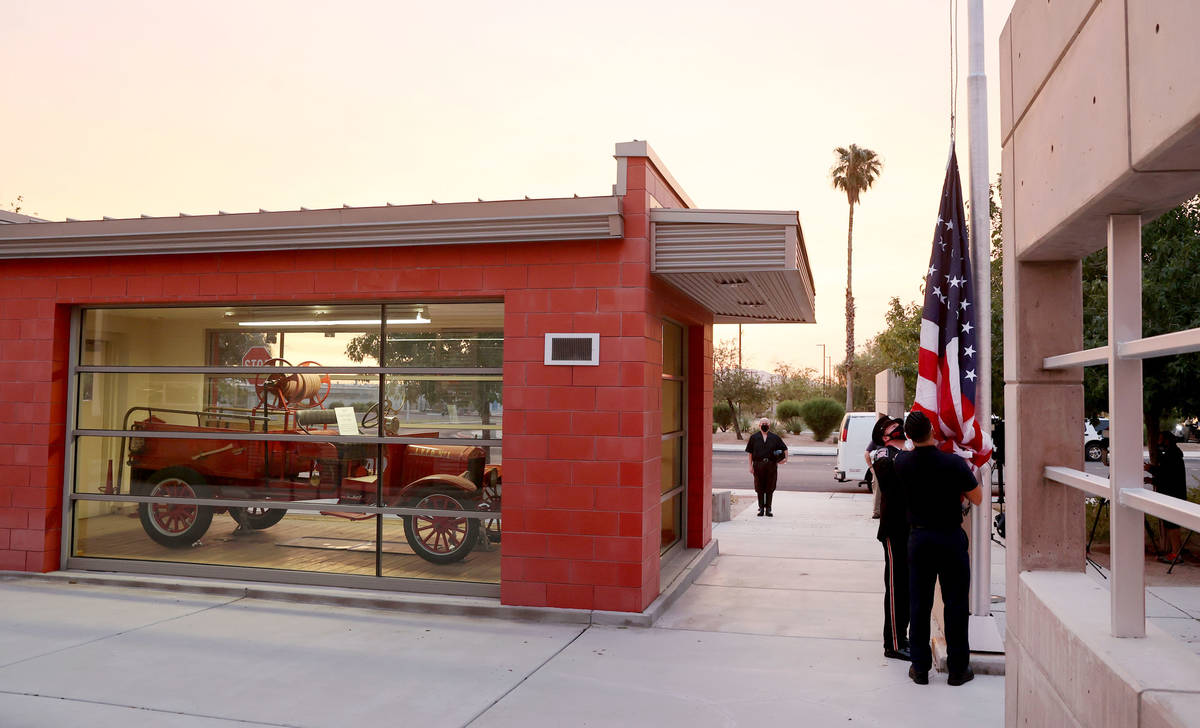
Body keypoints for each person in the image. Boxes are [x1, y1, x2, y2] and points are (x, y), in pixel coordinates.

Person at [894, 411, 982, 686]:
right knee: (955, 603)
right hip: (949, 538)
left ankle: (920, 668)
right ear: (933, 430)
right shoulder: (953, 463)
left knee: (919, 603)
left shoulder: (902, 462)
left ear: (908, 436)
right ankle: (957, 670)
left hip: (919, 540)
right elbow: (977, 498)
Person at [868, 416, 910, 661]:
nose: (900, 427)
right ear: (885, 436)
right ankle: (893, 643)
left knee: (907, 588)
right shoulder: (883, 455)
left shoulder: (906, 453)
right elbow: (889, 477)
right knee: (896, 588)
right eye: (894, 427)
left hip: (911, 528)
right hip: (896, 530)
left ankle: (903, 638)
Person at [1146, 431, 1188, 562]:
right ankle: (1174, 552)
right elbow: (1166, 474)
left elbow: (1167, 476)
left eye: (1160, 439)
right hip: (1172, 494)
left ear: (1167, 441)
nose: (1158, 442)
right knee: (1170, 525)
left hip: (1173, 495)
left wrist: (1151, 470)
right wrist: (1152, 476)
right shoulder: (1172, 454)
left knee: (1172, 526)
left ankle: (1176, 554)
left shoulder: (1172, 456)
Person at [746, 417, 787, 517]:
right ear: (759, 425)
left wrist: (785, 459)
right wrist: (750, 466)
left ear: (769, 425)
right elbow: (750, 453)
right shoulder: (754, 437)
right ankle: (761, 508)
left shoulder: (775, 437)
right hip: (758, 465)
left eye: (766, 423)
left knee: (770, 487)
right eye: (763, 423)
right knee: (759, 487)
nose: (764, 425)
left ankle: (768, 509)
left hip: (771, 465)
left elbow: (784, 449)